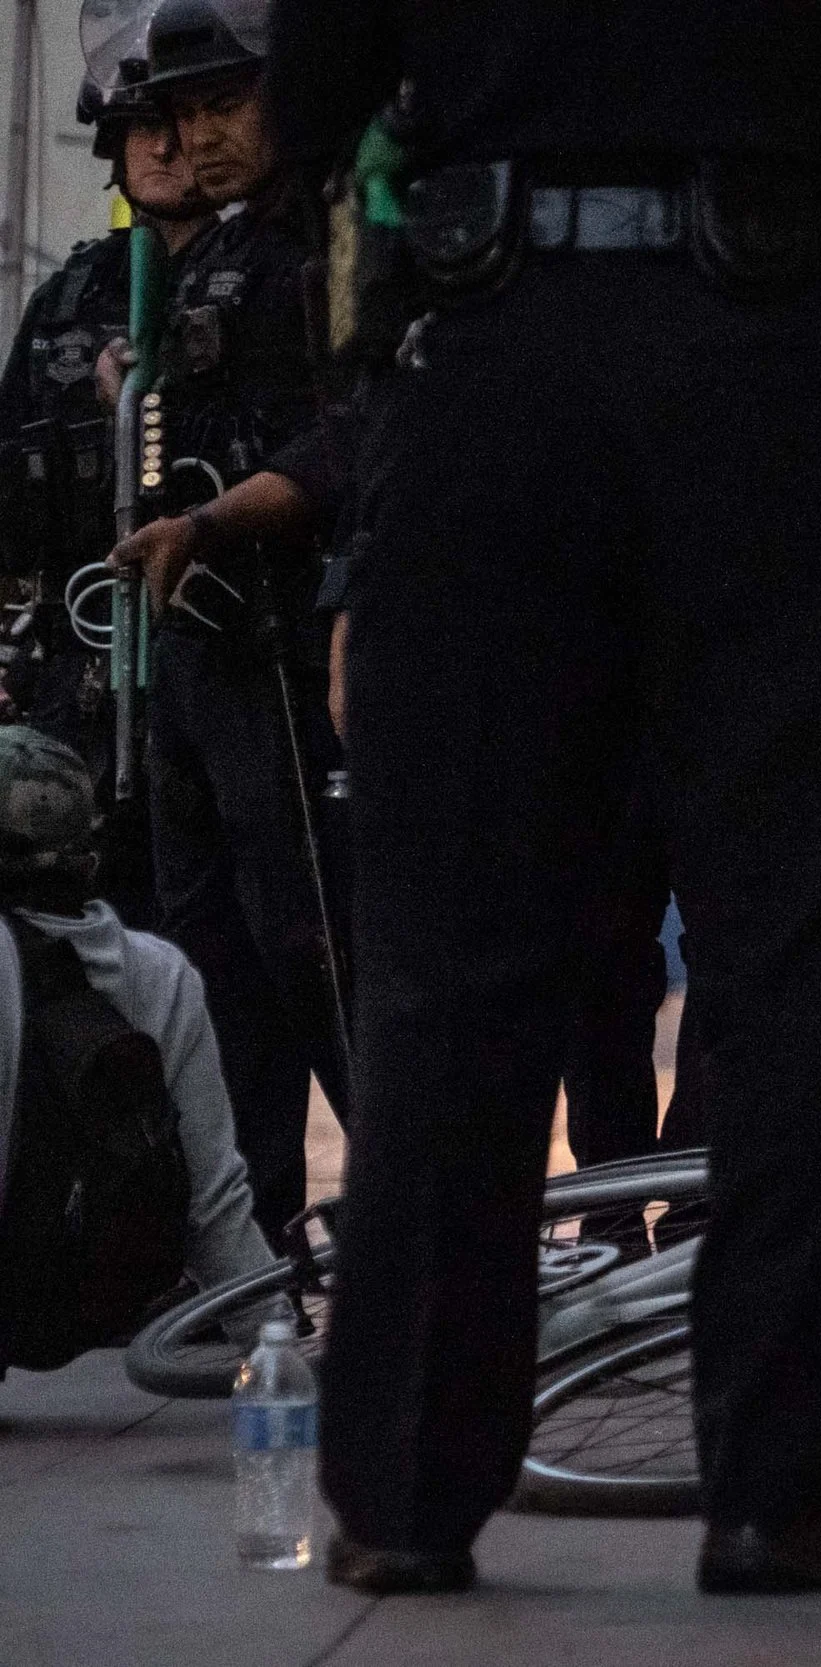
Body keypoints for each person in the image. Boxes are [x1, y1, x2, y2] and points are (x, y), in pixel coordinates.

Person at [263, 0, 821, 1596]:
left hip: (484, 353)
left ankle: (407, 1492)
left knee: (453, 959)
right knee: (798, 951)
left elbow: (312, 95)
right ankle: (783, 1492)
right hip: (768, 357)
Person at [99, 0, 351, 1256]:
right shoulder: (209, 255)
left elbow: (354, 435)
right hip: (196, 660)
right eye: (178, 111)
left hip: (286, 649)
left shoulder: (322, 235)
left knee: (319, 950)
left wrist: (213, 521)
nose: (195, 135)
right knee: (214, 964)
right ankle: (248, 1243)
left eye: (221, 105)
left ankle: (425, 1216)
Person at [0, 70, 217, 926]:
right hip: (73, 693)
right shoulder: (65, 303)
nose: (164, 146)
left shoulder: (265, 278)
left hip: (220, 678)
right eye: (139, 127)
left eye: (179, 122)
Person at [0, 724, 274, 1371]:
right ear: (87, 857)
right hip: (90, 1297)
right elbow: (215, 1199)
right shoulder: (159, 972)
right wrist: (277, 1350)